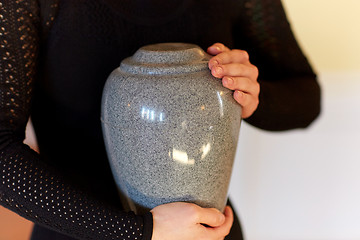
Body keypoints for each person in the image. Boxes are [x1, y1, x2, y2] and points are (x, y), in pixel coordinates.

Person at [0, 0, 321, 239]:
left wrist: (252, 96)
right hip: (79, 231)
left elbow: (306, 99)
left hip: (208, 230)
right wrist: (141, 231)